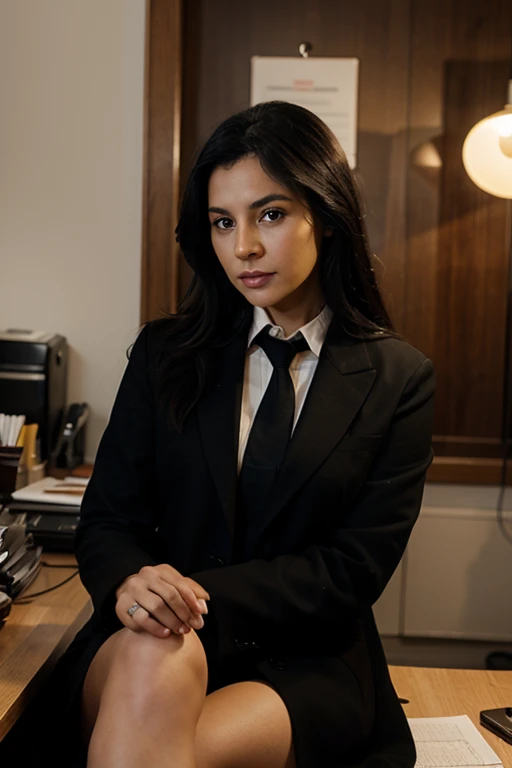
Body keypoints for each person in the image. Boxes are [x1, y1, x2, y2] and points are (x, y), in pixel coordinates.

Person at [49, 100, 435, 768]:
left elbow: (349, 572)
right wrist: (131, 584)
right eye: (222, 223)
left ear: (328, 215)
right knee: (153, 658)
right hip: (147, 637)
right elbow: (108, 520)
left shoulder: (399, 378)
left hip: (302, 660)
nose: (244, 246)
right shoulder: (167, 353)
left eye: (271, 214)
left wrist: (188, 599)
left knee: (154, 737)